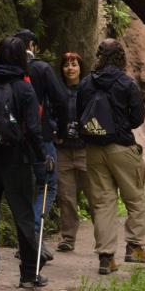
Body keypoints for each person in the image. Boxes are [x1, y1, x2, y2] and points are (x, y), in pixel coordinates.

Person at [0, 36, 53, 290]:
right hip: (17, 159)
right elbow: (32, 129)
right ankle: (29, 274)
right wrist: (41, 159)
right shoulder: (24, 88)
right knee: (23, 215)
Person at [76, 38, 145, 275]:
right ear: (121, 56)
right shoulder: (126, 83)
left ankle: (106, 258)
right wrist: (121, 125)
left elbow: (79, 113)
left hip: (94, 149)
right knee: (134, 197)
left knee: (103, 203)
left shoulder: (87, 83)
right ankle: (135, 247)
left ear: (99, 55)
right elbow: (138, 117)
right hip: (121, 146)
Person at [13, 29, 68, 260]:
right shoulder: (41, 68)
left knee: (22, 190)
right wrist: (61, 131)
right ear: (32, 45)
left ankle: (25, 240)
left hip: (12, 140)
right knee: (48, 186)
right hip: (42, 137)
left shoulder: (4, 69)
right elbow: (61, 100)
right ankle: (32, 239)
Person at [55, 52, 94, 252]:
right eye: (66, 65)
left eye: (74, 64)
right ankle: (68, 238)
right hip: (63, 150)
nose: (70, 68)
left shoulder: (89, 89)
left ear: (81, 67)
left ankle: (103, 238)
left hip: (85, 149)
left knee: (93, 195)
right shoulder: (57, 90)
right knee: (66, 197)